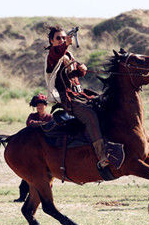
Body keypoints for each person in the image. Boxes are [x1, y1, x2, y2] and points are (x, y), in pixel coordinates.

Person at [44, 25, 110, 170]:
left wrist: (82, 69)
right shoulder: (52, 55)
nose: (61, 40)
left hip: (80, 94)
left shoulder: (68, 55)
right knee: (90, 115)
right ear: (51, 41)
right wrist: (66, 44)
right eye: (58, 38)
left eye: (63, 37)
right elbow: (58, 54)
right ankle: (102, 155)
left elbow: (74, 74)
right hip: (68, 99)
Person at [14, 93, 53, 202]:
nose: (39, 107)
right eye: (38, 105)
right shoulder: (33, 116)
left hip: (46, 150)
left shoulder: (50, 117)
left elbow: (51, 126)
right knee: (27, 175)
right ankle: (22, 197)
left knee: (48, 175)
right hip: (32, 149)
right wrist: (44, 124)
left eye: (42, 105)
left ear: (45, 106)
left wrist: (39, 124)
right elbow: (30, 123)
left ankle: (44, 197)